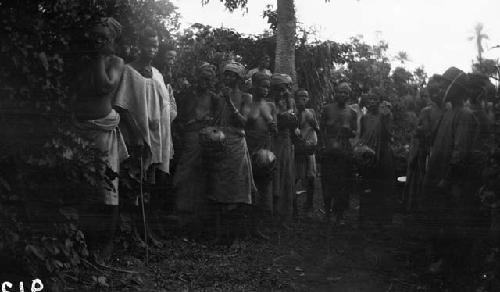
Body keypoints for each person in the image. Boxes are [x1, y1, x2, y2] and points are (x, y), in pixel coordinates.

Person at [113, 27, 177, 246]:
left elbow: (164, 104)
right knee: (135, 185)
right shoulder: (129, 71)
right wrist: (137, 135)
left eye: (155, 45)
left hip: (157, 137)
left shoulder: (157, 73)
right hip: (137, 137)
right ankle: (134, 235)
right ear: (139, 45)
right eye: (148, 45)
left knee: (150, 186)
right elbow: (122, 106)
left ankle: (148, 230)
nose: (152, 49)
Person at [72, 17, 129, 262]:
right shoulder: (82, 61)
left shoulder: (115, 61)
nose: (98, 41)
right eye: (95, 36)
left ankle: (106, 246)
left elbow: (104, 86)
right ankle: (84, 243)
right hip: (79, 130)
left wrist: (100, 56)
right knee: (85, 188)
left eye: (103, 37)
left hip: (103, 132)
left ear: (112, 40)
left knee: (107, 188)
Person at [421, 67, 479, 278]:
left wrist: (447, 179)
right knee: (437, 219)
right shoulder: (448, 113)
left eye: (446, 85)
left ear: (456, 89)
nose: (443, 89)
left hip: (450, 182)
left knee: (450, 222)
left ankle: (448, 264)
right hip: (438, 177)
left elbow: (460, 153)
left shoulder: (464, 115)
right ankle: (439, 258)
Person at [208, 61, 255, 244]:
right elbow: (215, 119)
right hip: (220, 144)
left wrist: (229, 101)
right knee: (220, 188)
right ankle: (220, 235)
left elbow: (244, 122)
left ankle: (236, 236)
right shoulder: (218, 97)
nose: (228, 78)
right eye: (226, 74)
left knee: (237, 190)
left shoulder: (246, 97)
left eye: (232, 75)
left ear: (239, 78)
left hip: (236, 146)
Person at [172, 63, 219, 238]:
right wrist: (190, 123)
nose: (204, 82)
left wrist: (208, 120)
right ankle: (182, 216)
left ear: (212, 81)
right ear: (196, 78)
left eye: (208, 79)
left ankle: (200, 221)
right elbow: (178, 117)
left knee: (203, 176)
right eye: (202, 78)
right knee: (185, 175)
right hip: (190, 139)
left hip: (208, 141)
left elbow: (218, 119)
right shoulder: (187, 95)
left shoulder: (214, 98)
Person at [403, 75, 445, 213]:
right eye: (431, 92)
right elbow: (418, 134)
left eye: (438, 90)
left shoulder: (449, 111)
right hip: (426, 155)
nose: (435, 95)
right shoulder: (426, 112)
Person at [245, 72, 277, 239]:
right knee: (250, 189)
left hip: (265, 148)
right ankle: (249, 226)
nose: (265, 90)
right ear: (254, 85)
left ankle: (259, 226)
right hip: (250, 148)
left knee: (264, 188)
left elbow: (275, 129)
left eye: (267, 87)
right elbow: (243, 123)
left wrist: (273, 125)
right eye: (262, 86)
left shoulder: (271, 106)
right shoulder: (248, 103)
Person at [320, 86, 357, 225]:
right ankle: (327, 213)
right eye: (340, 92)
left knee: (343, 184)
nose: (342, 94)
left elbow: (354, 132)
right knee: (327, 182)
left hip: (344, 152)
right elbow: (321, 128)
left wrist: (348, 131)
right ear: (335, 94)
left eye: (346, 93)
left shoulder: (352, 112)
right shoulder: (327, 109)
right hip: (329, 150)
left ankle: (339, 215)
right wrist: (323, 145)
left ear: (349, 95)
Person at [358, 93, 395, 227]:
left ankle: (383, 220)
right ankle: (365, 219)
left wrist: (385, 118)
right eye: (370, 100)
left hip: (383, 154)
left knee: (383, 187)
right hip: (369, 155)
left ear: (380, 103)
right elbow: (362, 137)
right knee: (367, 185)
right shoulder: (364, 118)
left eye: (375, 100)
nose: (372, 102)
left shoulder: (386, 115)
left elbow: (389, 135)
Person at [270, 73, 297, 229]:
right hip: (273, 141)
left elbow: (293, 121)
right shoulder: (270, 102)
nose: (281, 93)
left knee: (286, 177)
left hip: (285, 142)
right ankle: (272, 215)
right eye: (278, 89)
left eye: (284, 89)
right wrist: (283, 119)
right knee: (274, 176)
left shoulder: (289, 102)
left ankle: (284, 217)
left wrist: (285, 118)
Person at [293, 89, 319, 215]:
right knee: (296, 177)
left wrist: (312, 120)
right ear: (296, 98)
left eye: (305, 96)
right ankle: (294, 207)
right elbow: (295, 128)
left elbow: (317, 127)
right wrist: (301, 113)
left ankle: (308, 205)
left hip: (310, 148)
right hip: (299, 148)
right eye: (300, 96)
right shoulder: (293, 112)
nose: (303, 98)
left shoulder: (311, 112)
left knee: (311, 178)